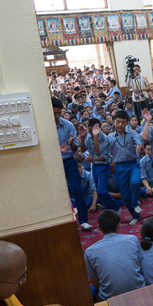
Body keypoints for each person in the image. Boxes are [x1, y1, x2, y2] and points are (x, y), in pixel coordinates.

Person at [84, 211, 145, 301]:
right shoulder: (132, 239)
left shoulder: (89, 252)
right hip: (139, 290)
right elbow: (141, 265)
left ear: (98, 228)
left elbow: (96, 282)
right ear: (119, 225)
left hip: (109, 298)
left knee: (91, 290)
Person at [52, 98, 92, 231]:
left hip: (69, 160)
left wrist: (72, 143)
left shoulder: (68, 125)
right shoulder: (45, 127)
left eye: (59, 113)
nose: (57, 116)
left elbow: (75, 149)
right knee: (56, 192)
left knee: (77, 190)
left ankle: (83, 221)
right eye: (54, 113)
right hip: (53, 163)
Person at [106, 111, 143, 225]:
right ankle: (135, 215)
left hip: (133, 164)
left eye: (123, 122)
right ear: (114, 121)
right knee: (125, 196)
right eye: (118, 122)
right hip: (119, 167)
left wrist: (139, 147)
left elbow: (139, 142)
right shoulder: (110, 137)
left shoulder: (131, 133)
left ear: (127, 123)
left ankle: (135, 202)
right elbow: (106, 151)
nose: (120, 125)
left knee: (136, 182)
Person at [81, 119, 121, 215]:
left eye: (92, 131)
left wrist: (93, 159)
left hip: (103, 167)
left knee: (102, 191)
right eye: (89, 131)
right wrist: (82, 138)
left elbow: (102, 156)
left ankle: (116, 207)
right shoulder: (89, 136)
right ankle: (109, 209)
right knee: (97, 192)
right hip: (94, 166)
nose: (90, 133)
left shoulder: (104, 139)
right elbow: (83, 150)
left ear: (98, 129)